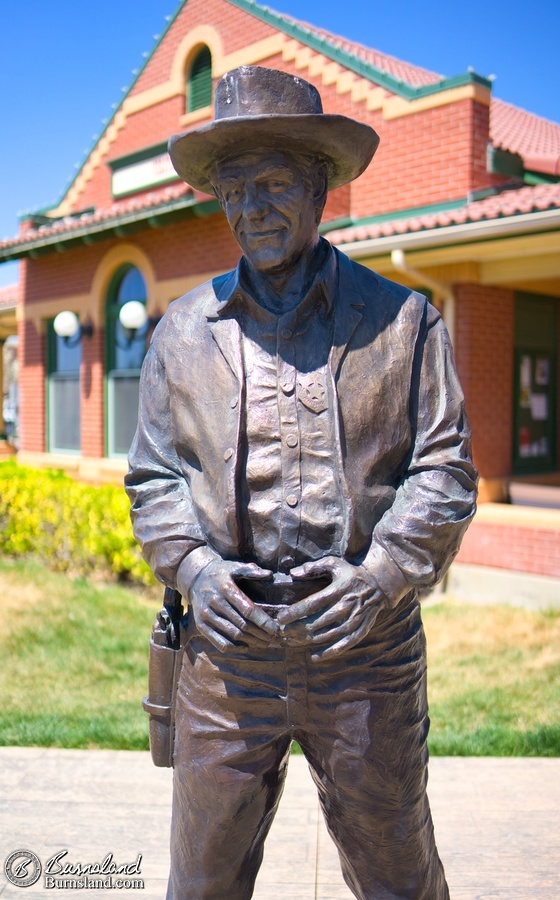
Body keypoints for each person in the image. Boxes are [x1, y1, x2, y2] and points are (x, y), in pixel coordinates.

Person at [126, 65, 478, 900]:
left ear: (321, 190)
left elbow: (446, 470)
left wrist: (383, 577)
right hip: (228, 655)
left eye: (275, 183)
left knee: (399, 874)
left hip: (365, 647)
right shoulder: (182, 335)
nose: (253, 209)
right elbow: (153, 479)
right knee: (202, 880)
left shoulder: (403, 323)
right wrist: (197, 571)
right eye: (236, 190)